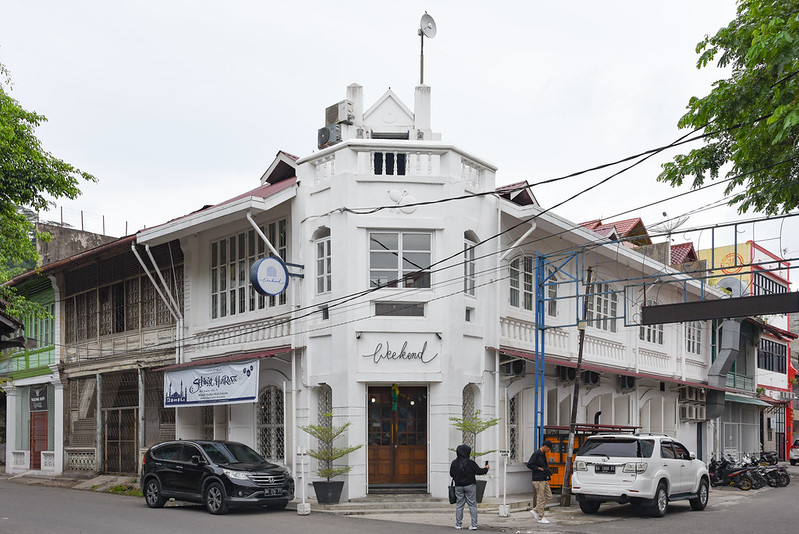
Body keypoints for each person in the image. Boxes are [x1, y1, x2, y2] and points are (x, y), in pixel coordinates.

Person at [450, 444, 489, 530]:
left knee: (459, 505)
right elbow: (479, 471)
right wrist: (486, 468)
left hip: (458, 486)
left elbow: (451, 474)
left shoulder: (454, 463)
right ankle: (474, 525)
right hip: (470, 486)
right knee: (472, 505)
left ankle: (458, 524)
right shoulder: (471, 463)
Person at [526, 440, 553, 525]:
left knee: (549, 496)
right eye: (548, 448)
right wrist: (538, 468)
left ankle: (535, 510)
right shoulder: (536, 454)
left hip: (543, 478)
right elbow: (529, 464)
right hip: (538, 479)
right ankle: (541, 517)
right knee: (541, 498)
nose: (549, 450)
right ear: (545, 446)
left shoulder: (543, 454)